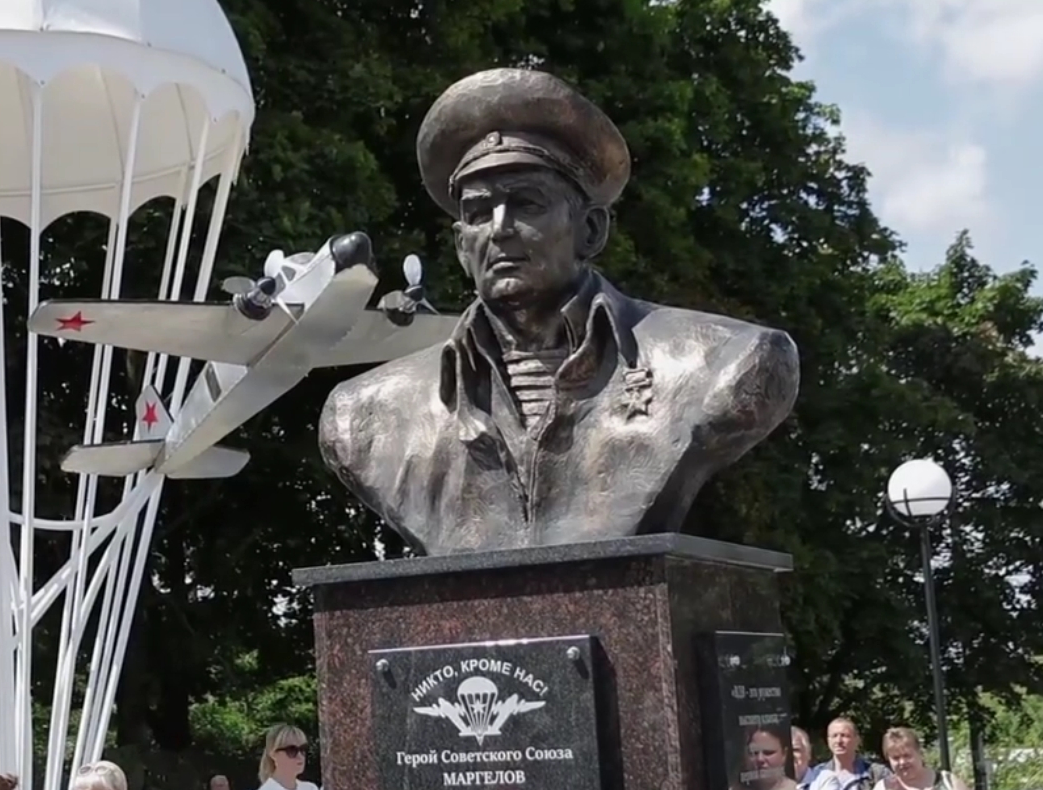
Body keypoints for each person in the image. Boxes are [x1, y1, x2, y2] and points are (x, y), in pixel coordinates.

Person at [317, 68, 799, 554]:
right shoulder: (364, 417)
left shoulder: (722, 363)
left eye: (526, 203)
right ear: (462, 247)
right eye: (479, 212)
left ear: (590, 230)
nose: (499, 229)